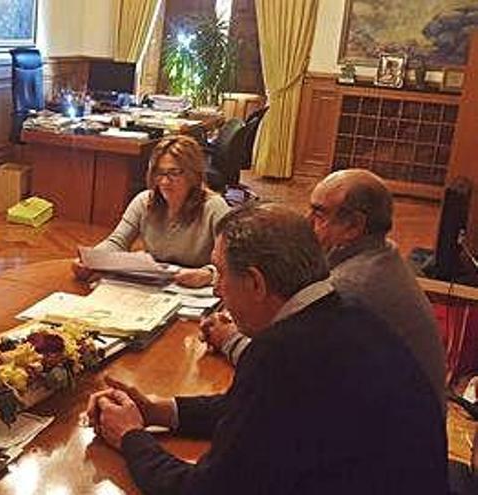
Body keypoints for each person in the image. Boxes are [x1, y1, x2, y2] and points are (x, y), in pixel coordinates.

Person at [85, 204, 448, 494]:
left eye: (221, 273)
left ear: (257, 282)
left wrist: (130, 437)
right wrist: (158, 412)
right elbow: (257, 411)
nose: (217, 290)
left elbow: (209, 489)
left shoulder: (282, 352)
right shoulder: (346, 309)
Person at [201, 169, 447, 408]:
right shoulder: (379, 253)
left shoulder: (349, 287)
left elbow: (283, 367)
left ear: (354, 226)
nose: (306, 222)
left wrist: (229, 339)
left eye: (319, 214)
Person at [73, 136, 230, 287]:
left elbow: (233, 264)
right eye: (159, 173)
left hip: (198, 292)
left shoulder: (214, 207)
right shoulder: (144, 201)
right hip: (156, 286)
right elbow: (117, 241)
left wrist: (209, 274)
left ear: (193, 174)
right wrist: (92, 259)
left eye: (174, 173)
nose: (164, 181)